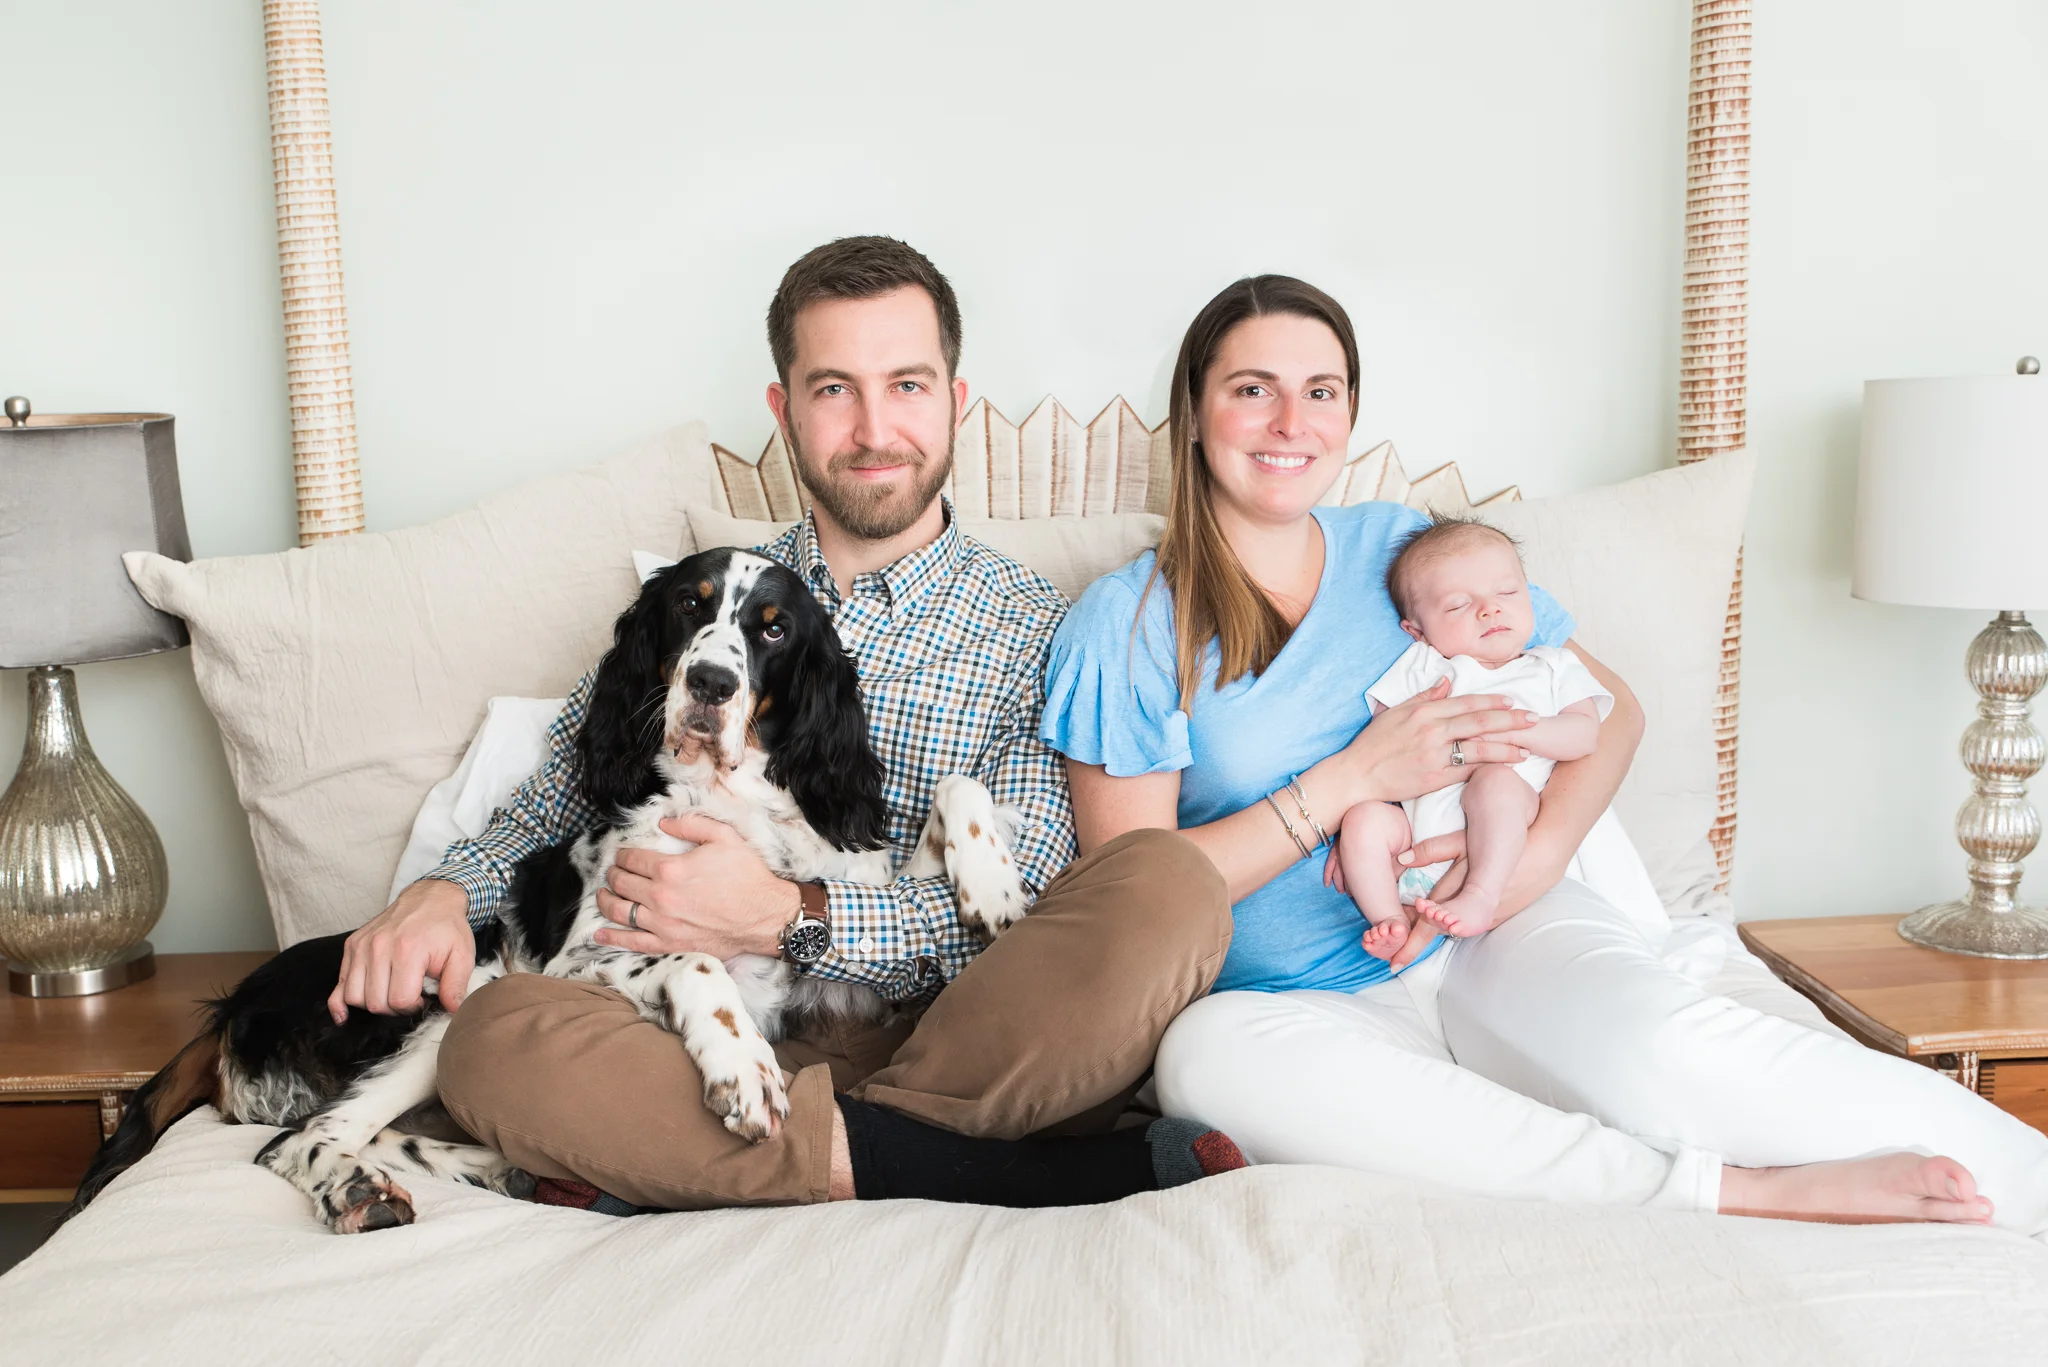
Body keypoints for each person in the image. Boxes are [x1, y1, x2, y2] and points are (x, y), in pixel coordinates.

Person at [1043, 271, 2048, 1232]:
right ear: (1193, 409)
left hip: (1485, 935)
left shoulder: (1402, 551)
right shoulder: (1126, 623)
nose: (1288, 423)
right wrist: (1347, 781)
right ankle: (1727, 1189)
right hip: (1287, 1003)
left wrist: (1522, 869)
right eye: (1250, 390)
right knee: (1201, 1063)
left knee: (1666, 1043)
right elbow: (1135, 892)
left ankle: (2025, 1186)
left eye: (1320, 391)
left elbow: (1607, 710)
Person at [326, 236, 1244, 1210]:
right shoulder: (702, 599)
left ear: (953, 400)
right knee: (491, 1036)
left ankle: (693, 1160)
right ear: (783, 409)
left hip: (942, 1032)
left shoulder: (1034, 624)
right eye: (833, 388)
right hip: (688, 1027)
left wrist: (786, 915)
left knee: (1169, 882)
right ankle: (954, 1166)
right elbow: (566, 789)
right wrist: (438, 890)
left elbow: (1017, 909)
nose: (873, 426)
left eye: (905, 384)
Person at [1340, 516, 1606, 965]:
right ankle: (1390, 917)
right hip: (1414, 846)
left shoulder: (1552, 667)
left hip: (1505, 846)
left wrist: (1520, 727)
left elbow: (1584, 734)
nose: (1490, 609)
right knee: (1364, 819)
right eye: (1459, 604)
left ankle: (1479, 895)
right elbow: (1383, 743)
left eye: (1507, 593)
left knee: (1495, 781)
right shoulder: (1424, 667)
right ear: (1418, 631)